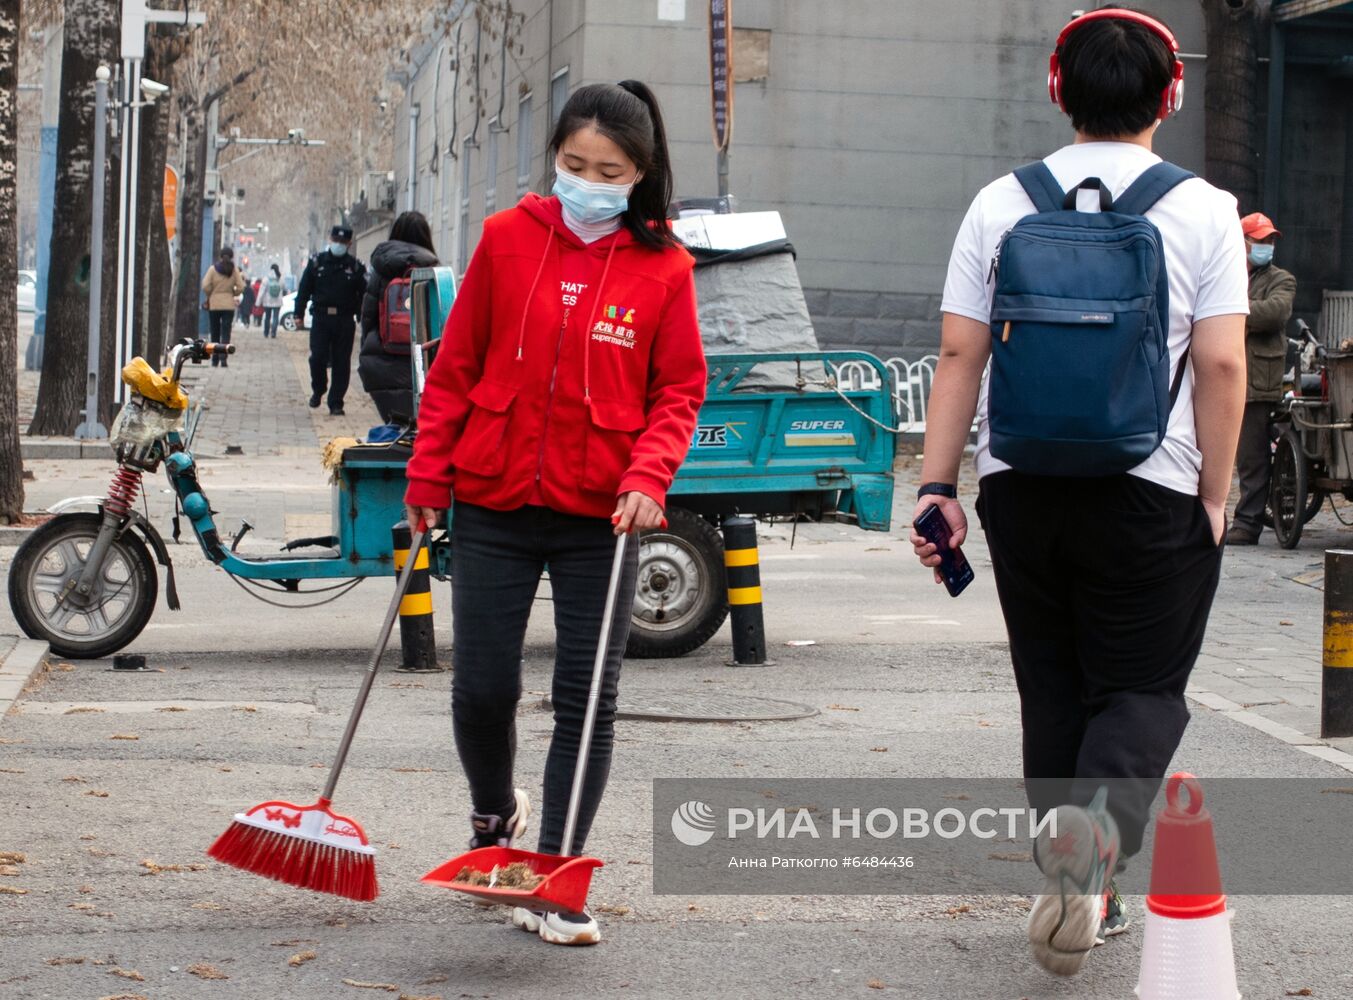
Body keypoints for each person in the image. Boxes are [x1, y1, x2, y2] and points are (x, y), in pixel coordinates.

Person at [910, 7, 1248, 977]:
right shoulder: (1201, 208)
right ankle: (1091, 856)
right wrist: (1214, 494)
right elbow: (1222, 364)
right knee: (1139, 686)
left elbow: (958, 351)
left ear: (1058, 91)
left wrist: (939, 483)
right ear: (1169, 96)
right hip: (1152, 488)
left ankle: (1078, 877)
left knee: (1052, 684)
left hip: (1022, 483)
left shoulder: (997, 204)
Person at [404, 80, 705, 946]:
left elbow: (679, 387)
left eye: (606, 170)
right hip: (494, 498)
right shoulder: (505, 241)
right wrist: (427, 481)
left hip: (601, 516)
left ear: (638, 174)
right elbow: (455, 371)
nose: (586, 181)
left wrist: (649, 475)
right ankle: (493, 820)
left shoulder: (664, 266)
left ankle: (557, 878)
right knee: (482, 690)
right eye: (572, 164)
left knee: (587, 700)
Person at [1227, 212, 1297, 545]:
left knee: (1252, 457)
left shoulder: (1281, 278)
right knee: (1237, 455)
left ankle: (1247, 523)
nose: (1267, 246)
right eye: (1260, 240)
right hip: (1229, 373)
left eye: (1270, 240)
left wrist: (1232, 309)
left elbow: (1276, 312)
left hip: (1258, 380)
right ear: (1243, 243)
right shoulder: (1228, 274)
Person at [358, 211, 438, 423]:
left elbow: (368, 317)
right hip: (421, 366)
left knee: (395, 428)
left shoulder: (382, 269)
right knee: (418, 435)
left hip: (382, 364)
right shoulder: (433, 270)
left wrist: (367, 353)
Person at [294, 225, 367, 415]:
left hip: (344, 320)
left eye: (343, 242)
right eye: (336, 241)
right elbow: (304, 289)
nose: (339, 245)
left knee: (342, 362)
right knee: (317, 358)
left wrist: (363, 317)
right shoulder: (317, 263)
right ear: (330, 239)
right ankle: (318, 389)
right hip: (321, 318)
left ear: (349, 244)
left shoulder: (355, 267)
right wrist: (298, 314)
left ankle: (336, 402)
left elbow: (363, 295)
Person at [200, 247, 245, 368]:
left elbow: (205, 285)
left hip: (214, 305)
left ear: (220, 256)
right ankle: (224, 358)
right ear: (231, 256)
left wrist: (211, 293)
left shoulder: (213, 269)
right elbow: (241, 286)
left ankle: (214, 359)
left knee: (215, 332)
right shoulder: (234, 270)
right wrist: (232, 293)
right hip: (228, 305)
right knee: (226, 332)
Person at [257, 264, 286, 339]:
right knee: (275, 317)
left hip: (267, 301)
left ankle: (266, 333)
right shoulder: (280, 278)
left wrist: (258, 303)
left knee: (267, 317)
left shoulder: (266, 279)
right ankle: (273, 333)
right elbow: (283, 287)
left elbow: (261, 291)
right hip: (278, 301)